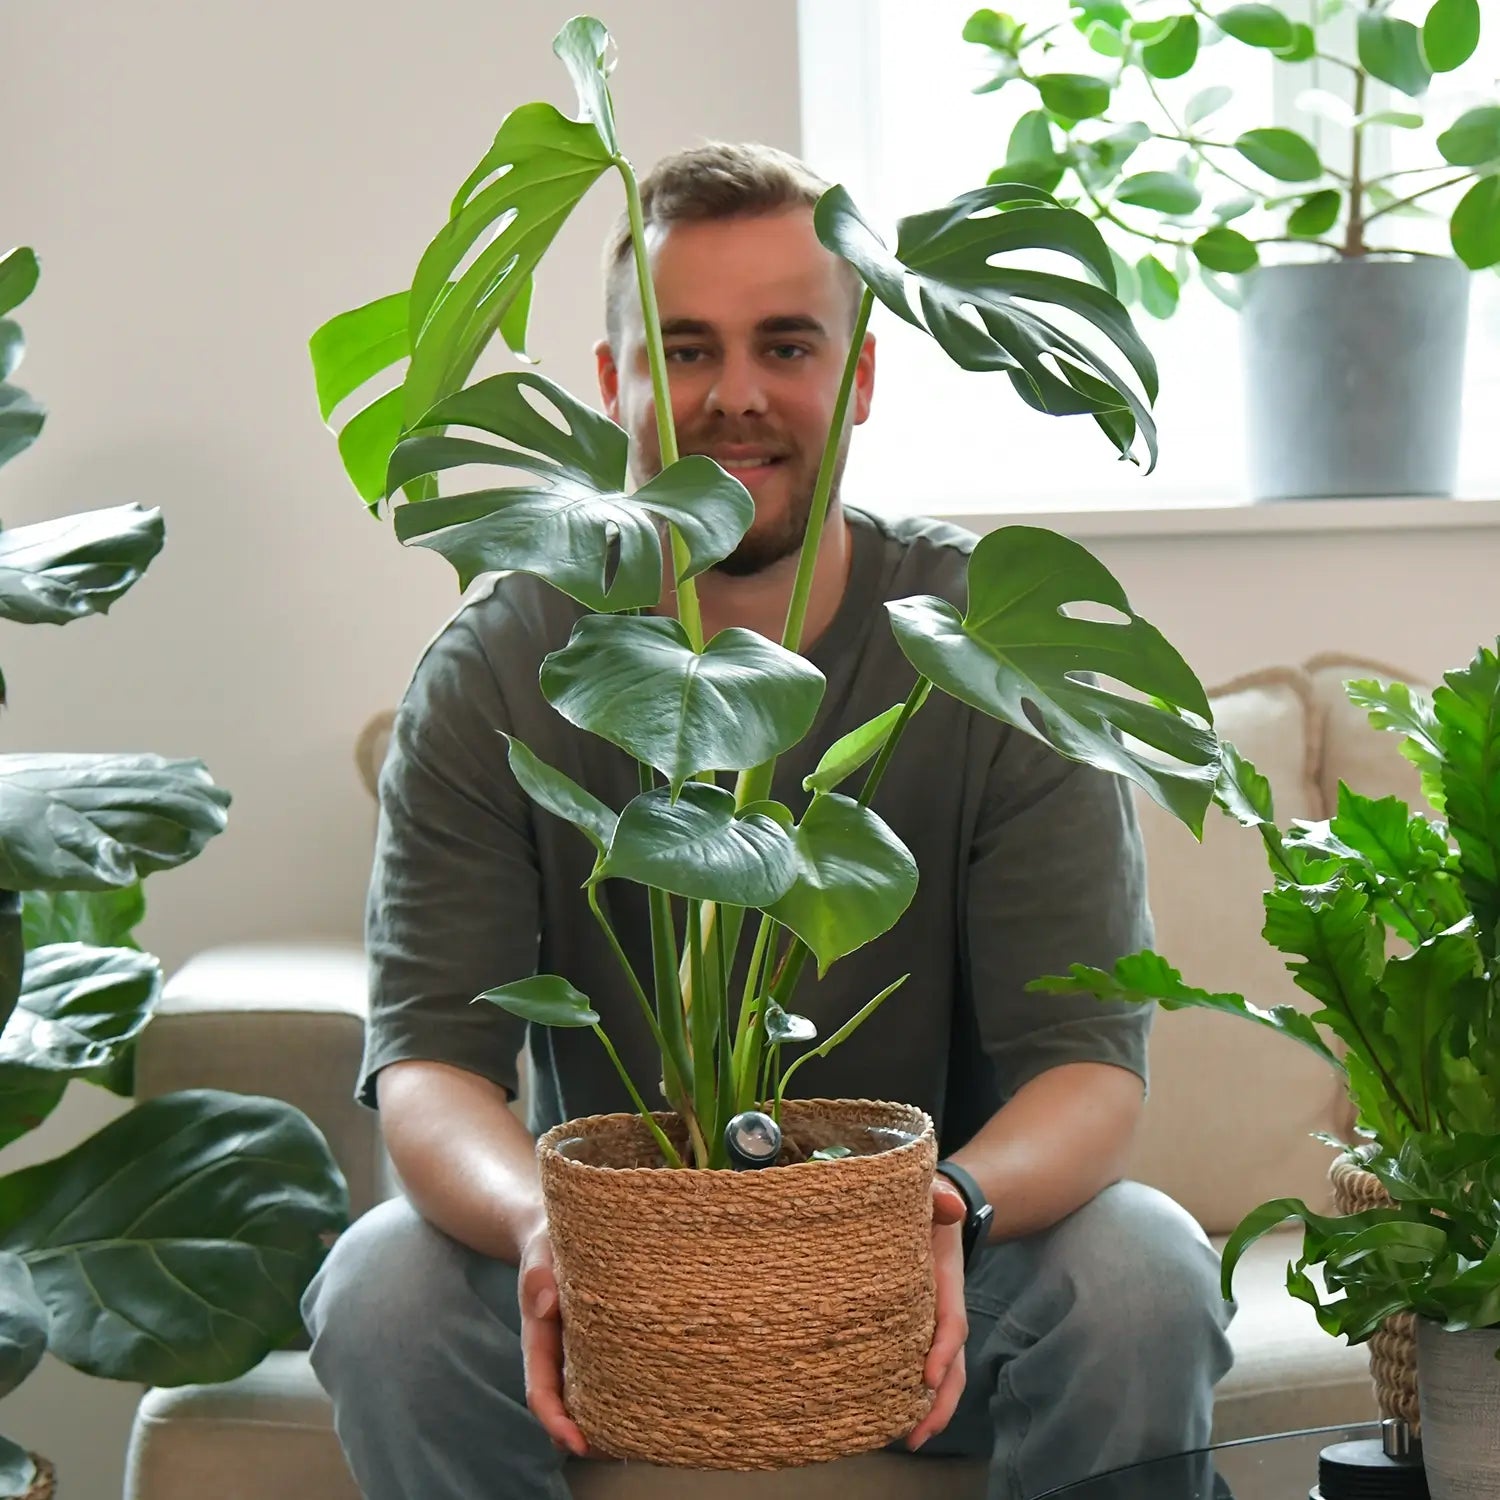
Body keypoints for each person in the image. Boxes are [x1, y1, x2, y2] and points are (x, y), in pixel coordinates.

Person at [303, 142, 1236, 1500]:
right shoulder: (504, 665)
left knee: (1142, 1272)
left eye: (787, 346)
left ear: (857, 380)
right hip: (616, 1286)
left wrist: (941, 1207)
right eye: (686, 350)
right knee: (381, 1290)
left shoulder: (976, 645)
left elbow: (1091, 1070)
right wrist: (547, 1231)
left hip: (927, 1275)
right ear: (615, 381)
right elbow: (431, 1067)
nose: (735, 397)